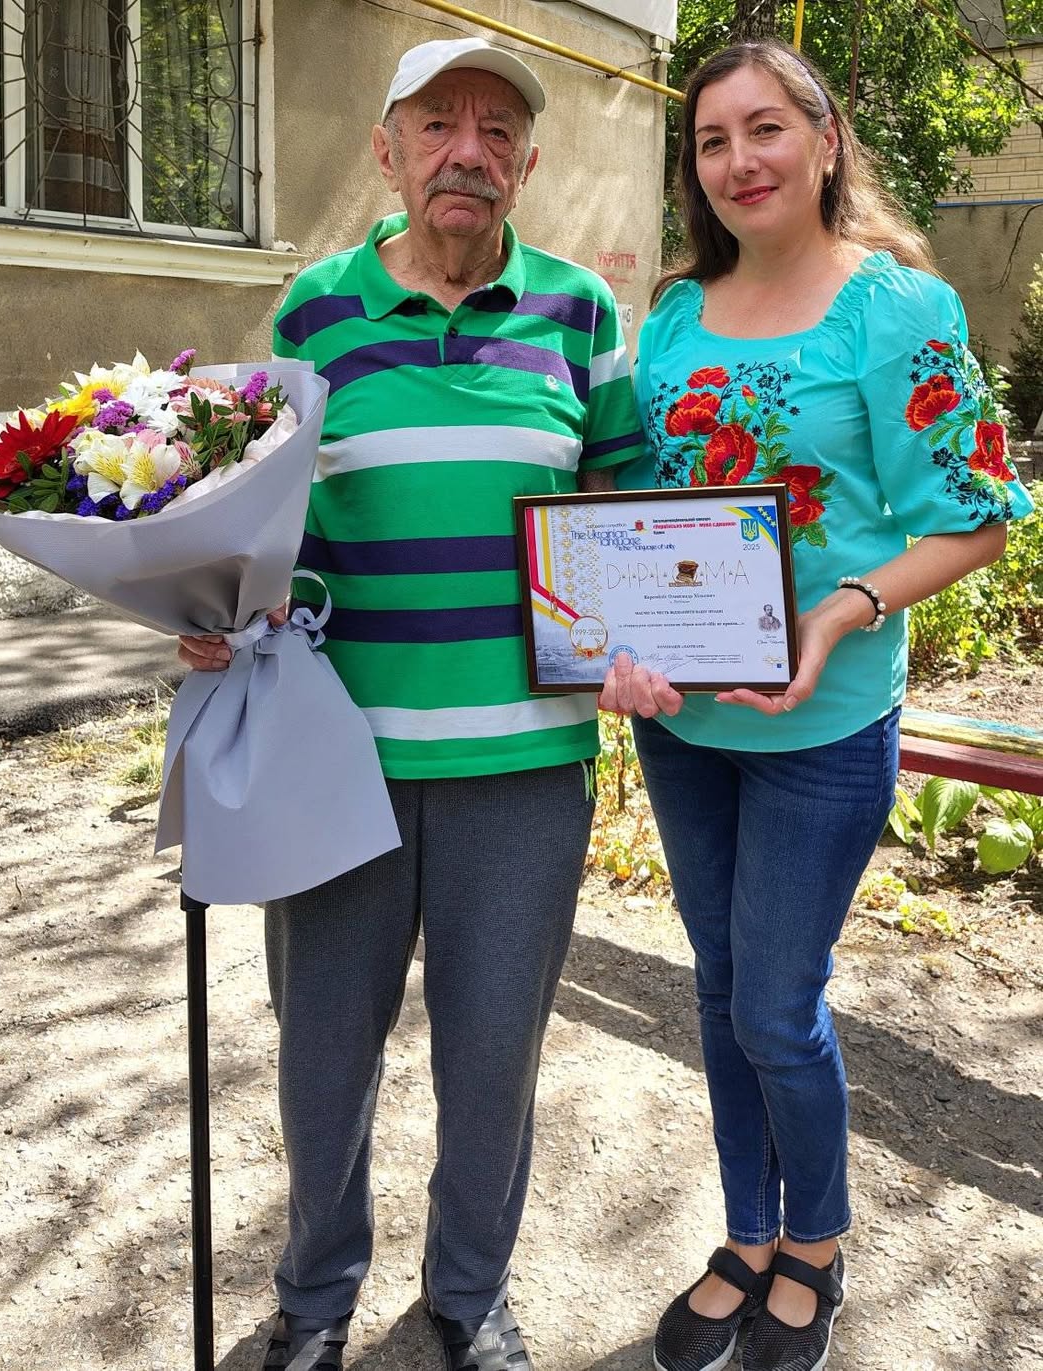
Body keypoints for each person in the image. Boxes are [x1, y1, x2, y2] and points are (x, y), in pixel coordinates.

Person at [179, 36, 643, 1371]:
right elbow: (267, 522)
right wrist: (213, 604)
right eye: (438, 125)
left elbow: (619, 504)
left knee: (494, 1059)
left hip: (525, 762)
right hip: (341, 754)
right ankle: (316, 1295)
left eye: (497, 132)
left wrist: (645, 630)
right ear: (386, 151)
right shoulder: (316, 312)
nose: (467, 153)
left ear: (528, 167)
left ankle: (469, 1291)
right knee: (324, 1056)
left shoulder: (579, 313)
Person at [599, 38, 1034, 1371]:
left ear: (826, 139)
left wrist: (841, 608)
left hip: (823, 724)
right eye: (712, 140)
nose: (739, 160)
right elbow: (643, 511)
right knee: (721, 985)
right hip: (687, 725)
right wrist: (613, 640)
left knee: (775, 1007)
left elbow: (977, 519)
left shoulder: (895, 309)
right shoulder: (676, 315)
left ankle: (817, 1244)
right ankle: (747, 1233)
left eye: (765, 128)